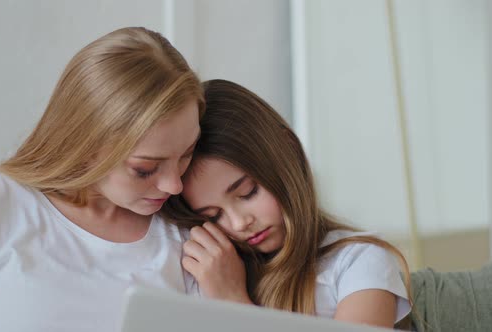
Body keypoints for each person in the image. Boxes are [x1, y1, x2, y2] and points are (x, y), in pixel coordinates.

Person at [0, 27, 204, 332]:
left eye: (186, 154)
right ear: (85, 144)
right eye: (145, 169)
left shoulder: (189, 240)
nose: (174, 185)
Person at [161, 79, 412, 329]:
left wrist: (234, 303)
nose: (239, 223)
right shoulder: (212, 273)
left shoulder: (358, 263)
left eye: (248, 192)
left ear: (288, 149)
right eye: (214, 216)